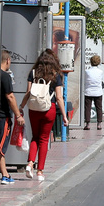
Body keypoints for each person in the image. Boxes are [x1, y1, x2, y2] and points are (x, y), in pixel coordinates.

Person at [21, 49, 68, 182]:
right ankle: (40, 171)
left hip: (34, 108)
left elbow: (28, 93)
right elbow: (59, 97)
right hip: (49, 109)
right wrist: (64, 116)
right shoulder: (56, 75)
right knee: (44, 139)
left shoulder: (33, 73)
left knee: (35, 137)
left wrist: (21, 106)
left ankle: (30, 163)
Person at [0, 51, 24, 186]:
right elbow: (10, 97)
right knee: (1, 146)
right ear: (7, 60)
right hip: (3, 116)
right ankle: (5, 175)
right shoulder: (5, 76)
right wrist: (18, 115)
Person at [83, 54, 104, 131]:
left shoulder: (87, 71)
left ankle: (87, 124)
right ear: (99, 62)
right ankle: (99, 124)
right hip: (98, 91)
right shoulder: (100, 72)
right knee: (99, 107)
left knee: (87, 107)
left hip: (88, 91)